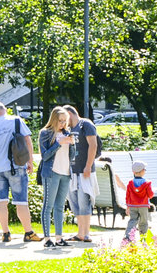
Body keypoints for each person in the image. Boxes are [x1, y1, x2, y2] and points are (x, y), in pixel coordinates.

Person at [0, 102, 42, 243]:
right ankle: (28, 232)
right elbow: (27, 140)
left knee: (1, 200)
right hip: (16, 166)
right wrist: (30, 161)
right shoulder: (16, 120)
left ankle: (6, 233)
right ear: (5, 110)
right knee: (21, 201)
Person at [37, 106, 74, 248]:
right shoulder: (45, 133)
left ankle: (59, 238)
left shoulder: (67, 133)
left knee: (60, 207)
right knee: (48, 206)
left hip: (66, 173)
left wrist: (72, 144)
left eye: (65, 121)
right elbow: (45, 156)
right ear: (54, 120)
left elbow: (72, 155)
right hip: (52, 172)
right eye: (60, 121)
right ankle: (47, 239)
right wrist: (59, 143)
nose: (63, 124)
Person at [63, 104, 99, 243]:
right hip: (71, 170)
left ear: (70, 114)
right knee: (74, 202)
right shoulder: (68, 129)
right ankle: (80, 233)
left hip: (84, 170)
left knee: (84, 201)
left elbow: (93, 145)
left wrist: (88, 166)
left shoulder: (86, 124)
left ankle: (86, 233)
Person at [114, 160, 155, 245]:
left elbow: (128, 196)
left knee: (132, 220)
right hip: (143, 205)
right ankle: (143, 238)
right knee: (143, 222)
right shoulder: (147, 183)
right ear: (142, 171)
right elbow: (150, 195)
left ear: (134, 172)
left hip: (132, 205)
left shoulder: (130, 183)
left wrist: (128, 207)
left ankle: (128, 237)